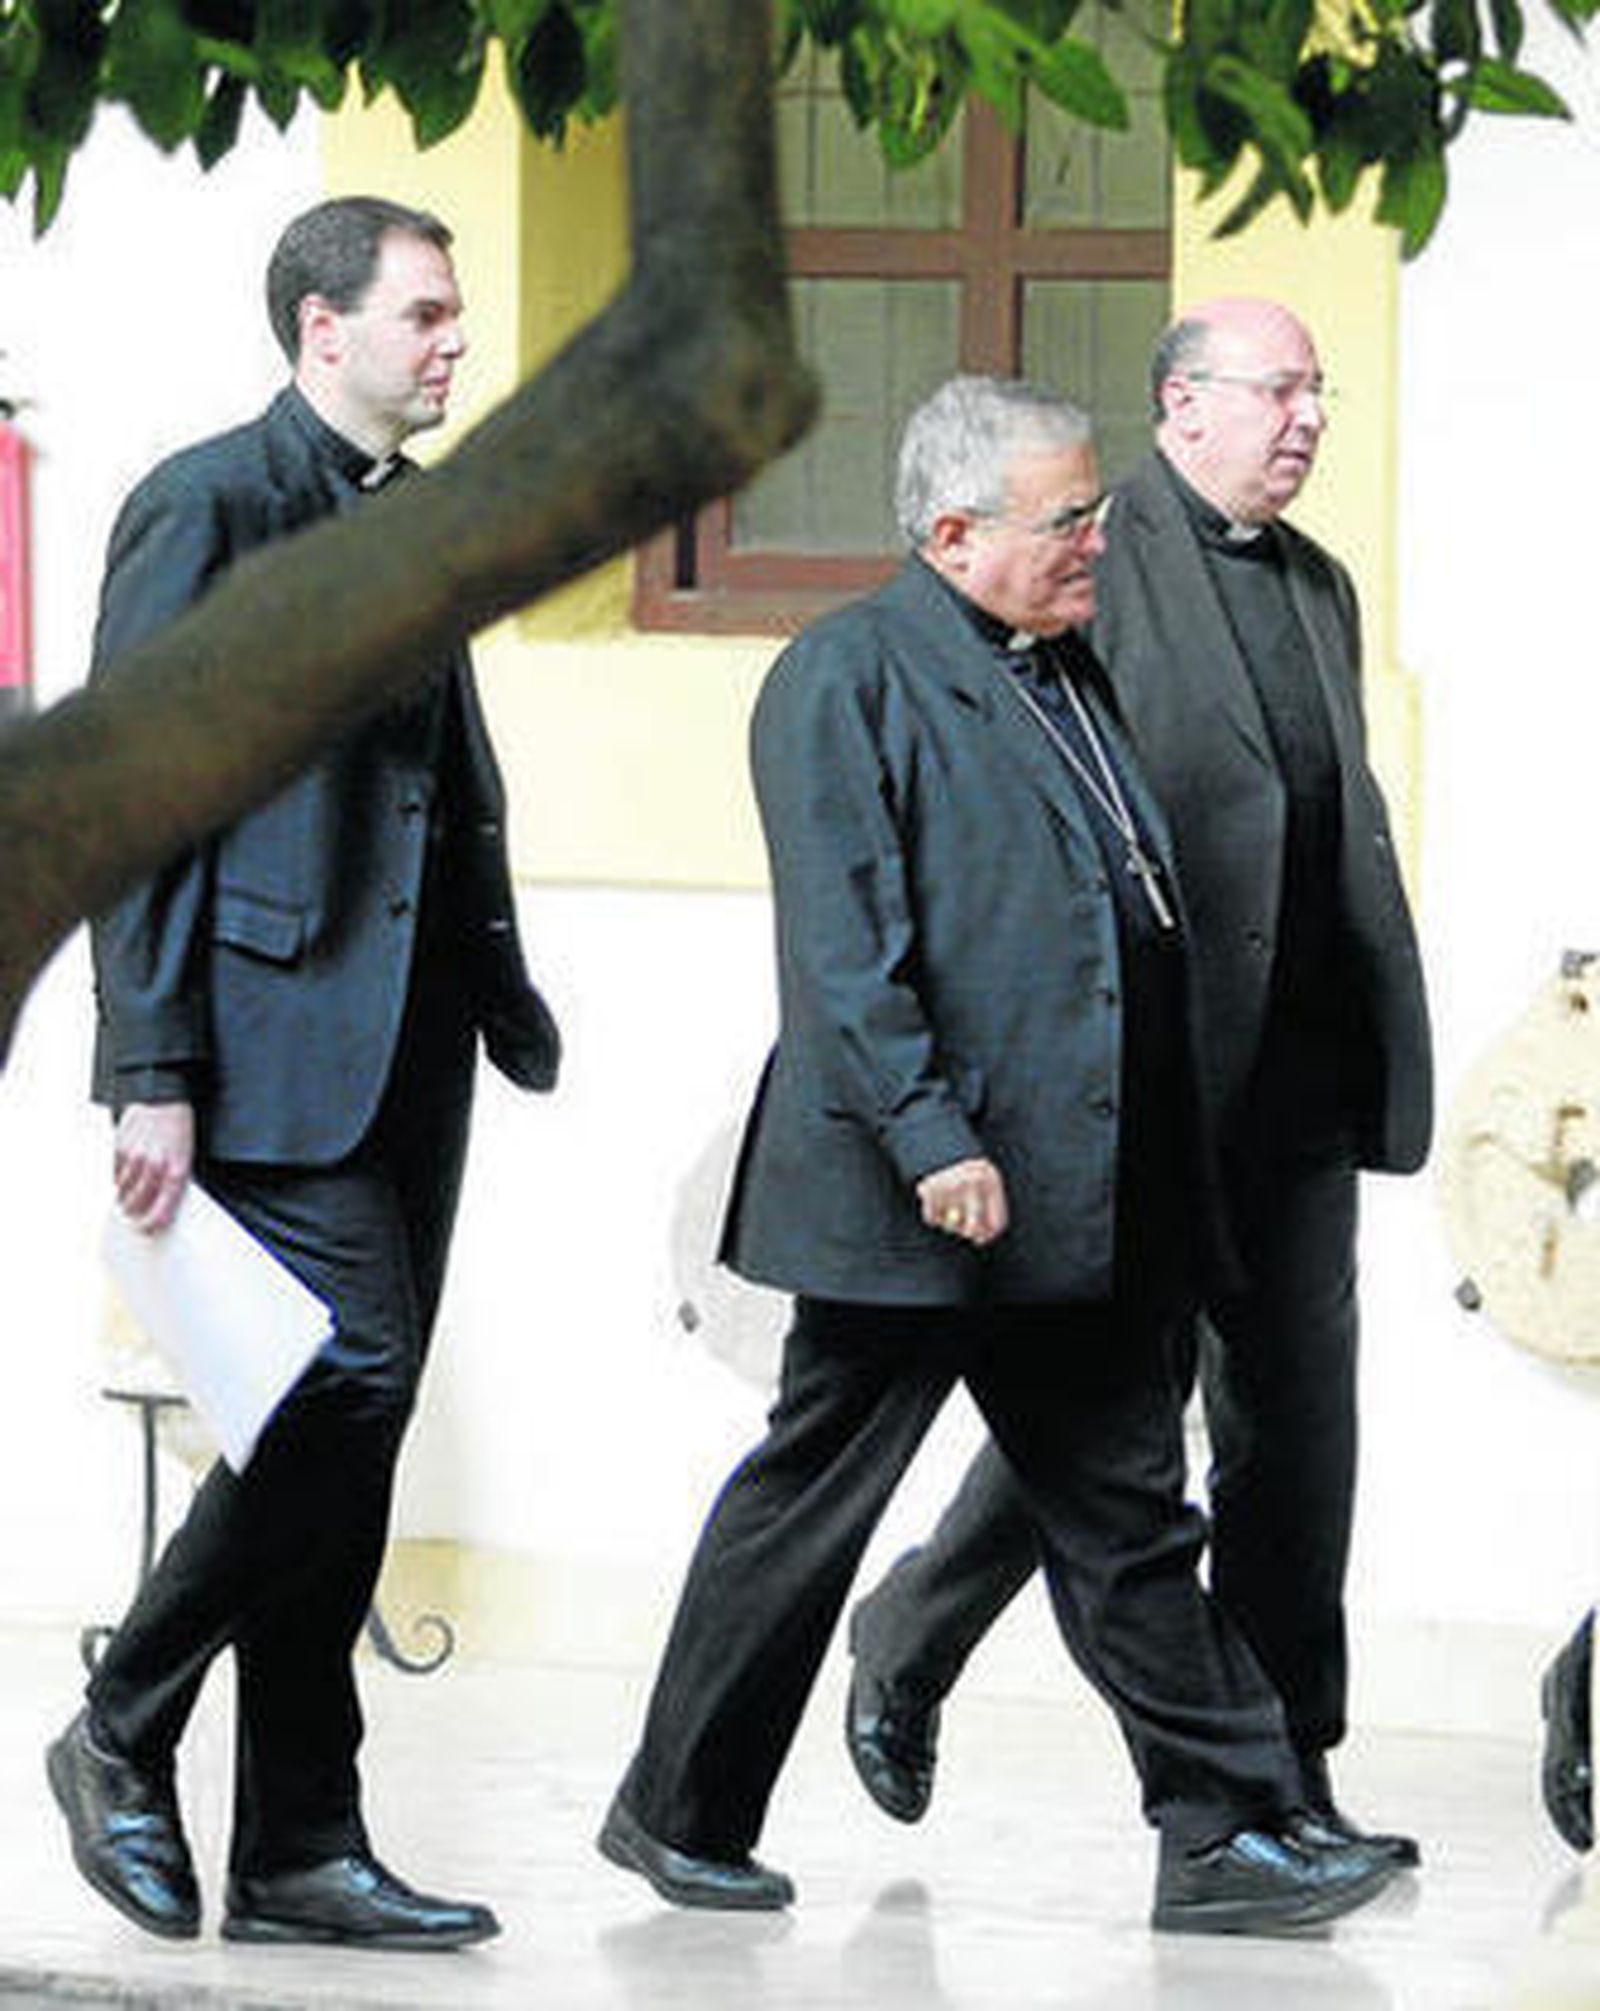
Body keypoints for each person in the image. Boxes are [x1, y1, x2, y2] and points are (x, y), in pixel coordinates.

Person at [597, 374, 1404, 1935]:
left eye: (1096, 509)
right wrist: (930, 1140)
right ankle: (676, 1809)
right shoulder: (847, 677)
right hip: (927, 1195)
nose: (1099, 539)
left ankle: (1224, 1833)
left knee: (1126, 1510)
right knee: (810, 1503)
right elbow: (846, 958)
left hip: (1070, 1186)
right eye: (1068, 519)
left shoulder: (1057, 662)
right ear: (954, 532)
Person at [845, 299, 1432, 1865]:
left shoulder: (1319, 584)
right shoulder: (1097, 556)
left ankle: (1291, 1774)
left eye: (1320, 390)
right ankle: (912, 1635)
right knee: (1107, 1437)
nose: (1307, 418)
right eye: (1278, 391)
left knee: (1299, 1439)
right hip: (1146, 1079)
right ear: (1183, 407)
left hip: (1300, 1085)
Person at [45, 196, 561, 1951]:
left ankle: (297, 1846)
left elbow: (438, 780)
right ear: (318, 330)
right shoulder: (209, 505)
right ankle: (122, 1725)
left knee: (347, 1428)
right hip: (262, 1044)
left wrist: (498, 988)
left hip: (411, 1043)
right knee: (334, 1387)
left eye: (452, 313)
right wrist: (153, 1065)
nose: (453, 342)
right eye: (423, 314)